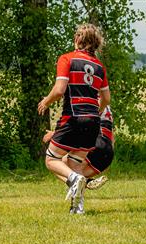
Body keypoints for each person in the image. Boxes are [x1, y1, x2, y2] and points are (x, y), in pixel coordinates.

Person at [38, 23, 110, 214]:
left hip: (73, 117)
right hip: (94, 120)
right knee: (74, 164)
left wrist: (46, 101)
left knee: (51, 159)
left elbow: (60, 90)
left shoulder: (67, 58)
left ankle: (76, 180)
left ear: (78, 39)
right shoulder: (99, 67)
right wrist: (95, 111)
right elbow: (107, 99)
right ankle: (77, 208)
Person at [43, 105, 114, 195]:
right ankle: (85, 182)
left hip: (95, 144)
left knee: (56, 164)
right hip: (108, 152)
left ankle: (80, 184)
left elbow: (79, 126)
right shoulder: (107, 108)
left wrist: (54, 134)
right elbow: (112, 137)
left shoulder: (90, 101)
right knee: (76, 174)